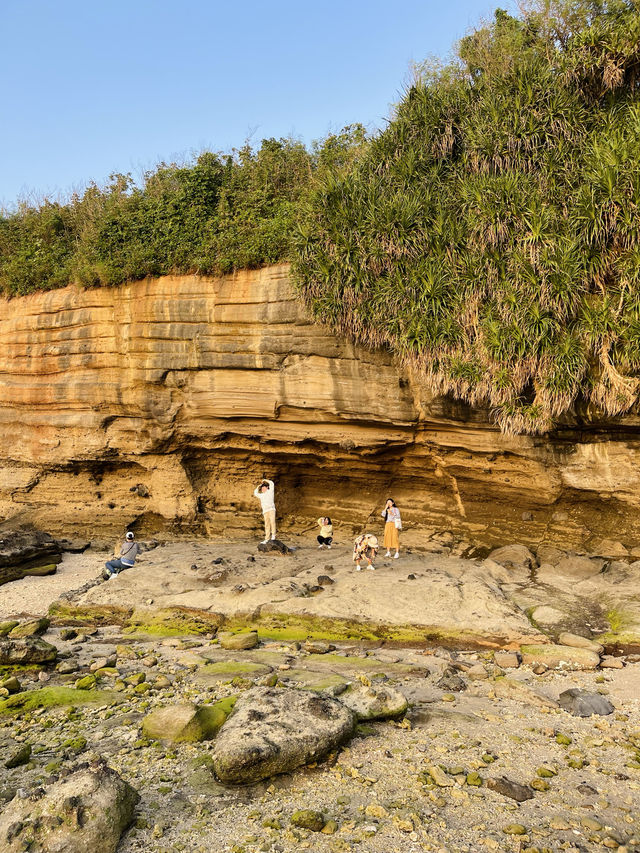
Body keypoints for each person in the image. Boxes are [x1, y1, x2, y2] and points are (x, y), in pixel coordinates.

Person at [253, 478, 276, 543]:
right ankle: (267, 539)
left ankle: (273, 536)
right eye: (262, 489)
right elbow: (255, 493)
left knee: (272, 522)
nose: (262, 489)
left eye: (264, 488)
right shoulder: (261, 495)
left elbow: (272, 483)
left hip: (271, 509)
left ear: (267, 487)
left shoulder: (270, 492)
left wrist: (265, 480)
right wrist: (259, 486)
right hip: (265, 511)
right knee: (267, 525)